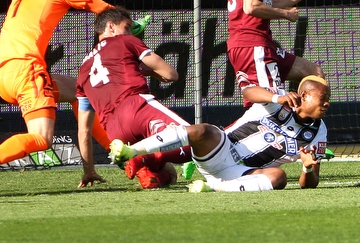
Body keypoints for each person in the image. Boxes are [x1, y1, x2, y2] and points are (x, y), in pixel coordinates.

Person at [0, 0, 113, 193]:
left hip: (5, 75)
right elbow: (107, 12)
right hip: (28, 71)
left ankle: (115, 154)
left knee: (81, 89)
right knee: (42, 139)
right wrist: (132, 26)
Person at [111, 75, 331, 192]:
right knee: (204, 130)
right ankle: (132, 150)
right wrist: (276, 98)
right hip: (221, 149)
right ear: (304, 96)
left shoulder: (319, 132)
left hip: (243, 174)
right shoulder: (280, 99)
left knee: (278, 176)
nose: (327, 104)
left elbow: (309, 184)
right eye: (323, 99)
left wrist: (307, 167)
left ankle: (212, 187)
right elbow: (247, 91)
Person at [77, 7, 193, 190]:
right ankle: (147, 157)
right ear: (111, 27)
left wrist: (88, 170)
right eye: (128, 27)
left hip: (115, 133)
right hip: (135, 107)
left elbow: (83, 131)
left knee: (170, 174)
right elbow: (171, 75)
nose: (130, 32)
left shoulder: (83, 70)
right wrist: (149, 71)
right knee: (197, 139)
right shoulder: (125, 41)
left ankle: (149, 172)